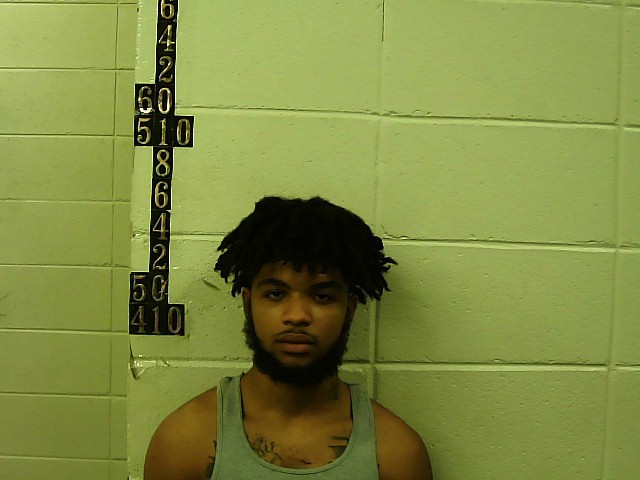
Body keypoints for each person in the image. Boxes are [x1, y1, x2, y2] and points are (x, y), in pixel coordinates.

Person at [144, 196, 433, 480]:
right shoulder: (185, 441)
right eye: (276, 294)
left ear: (349, 310)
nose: (297, 315)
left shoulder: (396, 452)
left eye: (322, 296)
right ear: (248, 304)